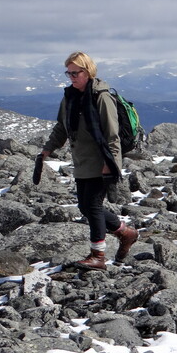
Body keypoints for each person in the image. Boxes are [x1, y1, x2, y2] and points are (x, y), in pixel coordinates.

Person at [40, 52, 138, 270]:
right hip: (82, 161)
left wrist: (110, 164)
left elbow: (112, 135)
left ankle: (98, 256)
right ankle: (126, 233)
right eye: (69, 73)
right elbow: (61, 127)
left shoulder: (101, 96)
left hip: (100, 161)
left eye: (76, 73)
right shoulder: (70, 97)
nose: (72, 77)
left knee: (92, 206)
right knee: (85, 206)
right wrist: (48, 148)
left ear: (88, 71)